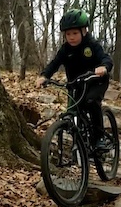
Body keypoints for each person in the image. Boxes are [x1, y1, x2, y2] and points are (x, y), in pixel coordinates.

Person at [36, 8, 113, 150]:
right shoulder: (65, 49)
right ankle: (81, 142)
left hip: (96, 81)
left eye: (75, 33)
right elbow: (55, 63)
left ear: (84, 31)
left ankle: (99, 137)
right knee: (73, 110)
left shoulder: (92, 45)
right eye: (68, 34)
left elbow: (106, 58)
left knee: (90, 102)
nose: (71, 37)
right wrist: (44, 76)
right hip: (76, 84)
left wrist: (104, 67)